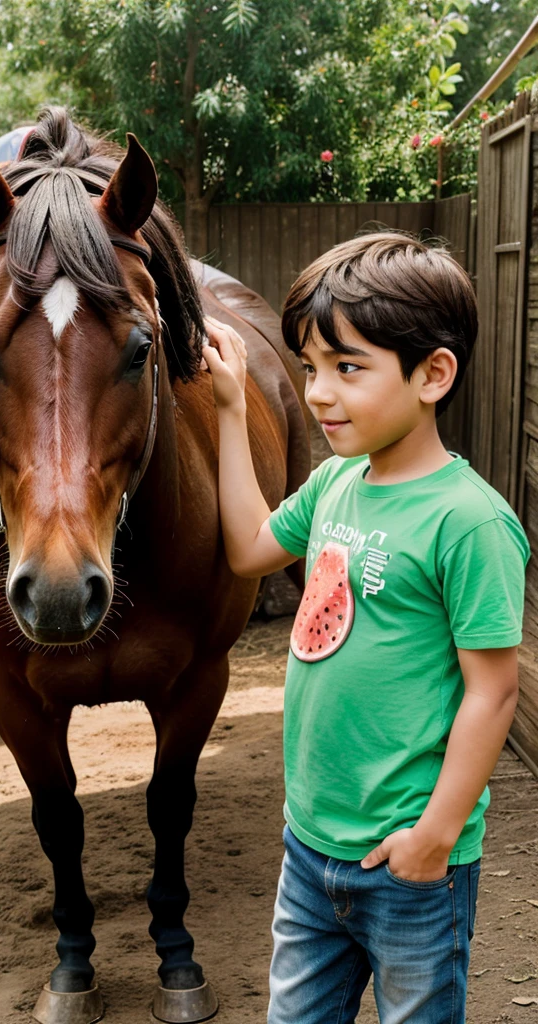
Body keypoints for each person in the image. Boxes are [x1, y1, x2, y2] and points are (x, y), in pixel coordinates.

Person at [200, 231, 530, 1024]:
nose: (318, 393)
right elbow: (248, 548)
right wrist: (229, 410)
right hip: (310, 850)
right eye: (311, 368)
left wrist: (436, 835)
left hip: (410, 864)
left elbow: (494, 692)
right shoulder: (335, 483)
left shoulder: (470, 521)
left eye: (347, 369)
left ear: (433, 375)